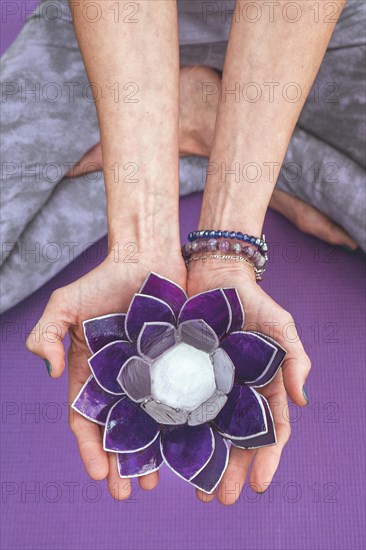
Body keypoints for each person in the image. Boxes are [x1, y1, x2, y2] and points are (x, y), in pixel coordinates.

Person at [2, 0, 364, 504]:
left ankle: (205, 123)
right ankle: (209, 129)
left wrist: (230, 239)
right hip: (114, 45)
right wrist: (138, 241)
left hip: (321, 32)